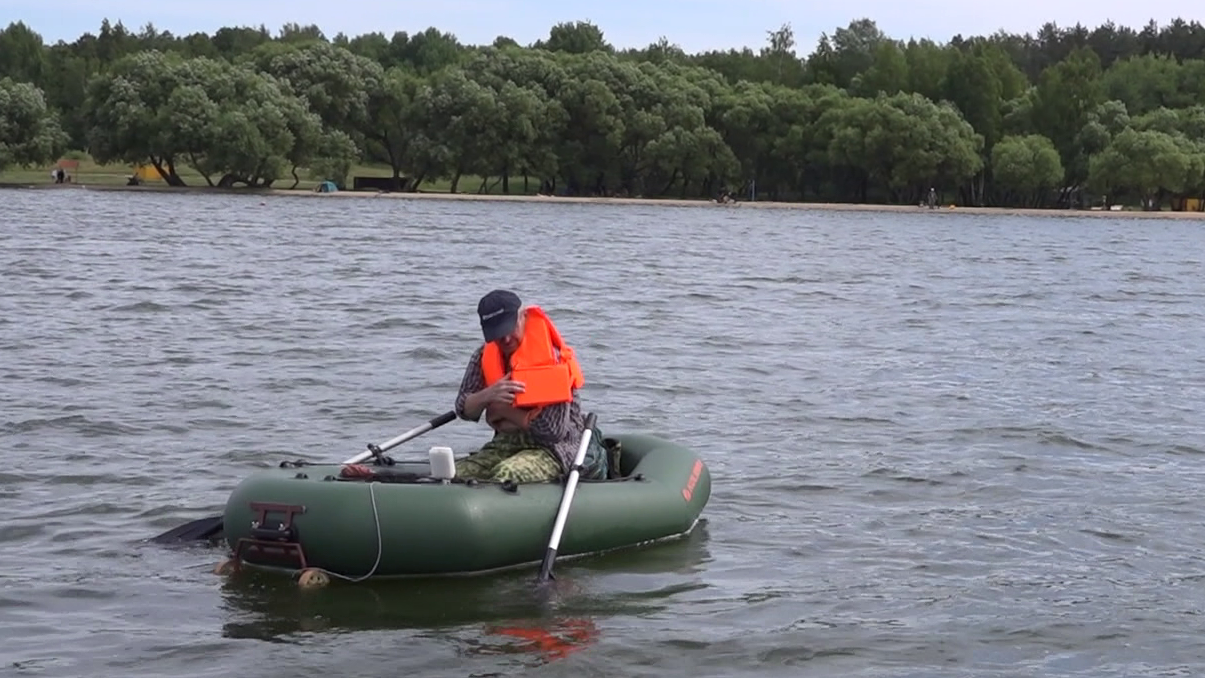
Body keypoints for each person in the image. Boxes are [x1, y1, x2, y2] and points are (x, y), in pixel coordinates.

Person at [453, 289, 609, 484]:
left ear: (523, 317)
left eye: (509, 329)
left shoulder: (553, 360)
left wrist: (504, 411)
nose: (506, 339)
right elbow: (463, 408)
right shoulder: (482, 356)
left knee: (506, 474)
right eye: (498, 334)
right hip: (505, 445)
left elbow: (552, 431)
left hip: (554, 449)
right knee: (453, 474)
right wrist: (488, 396)